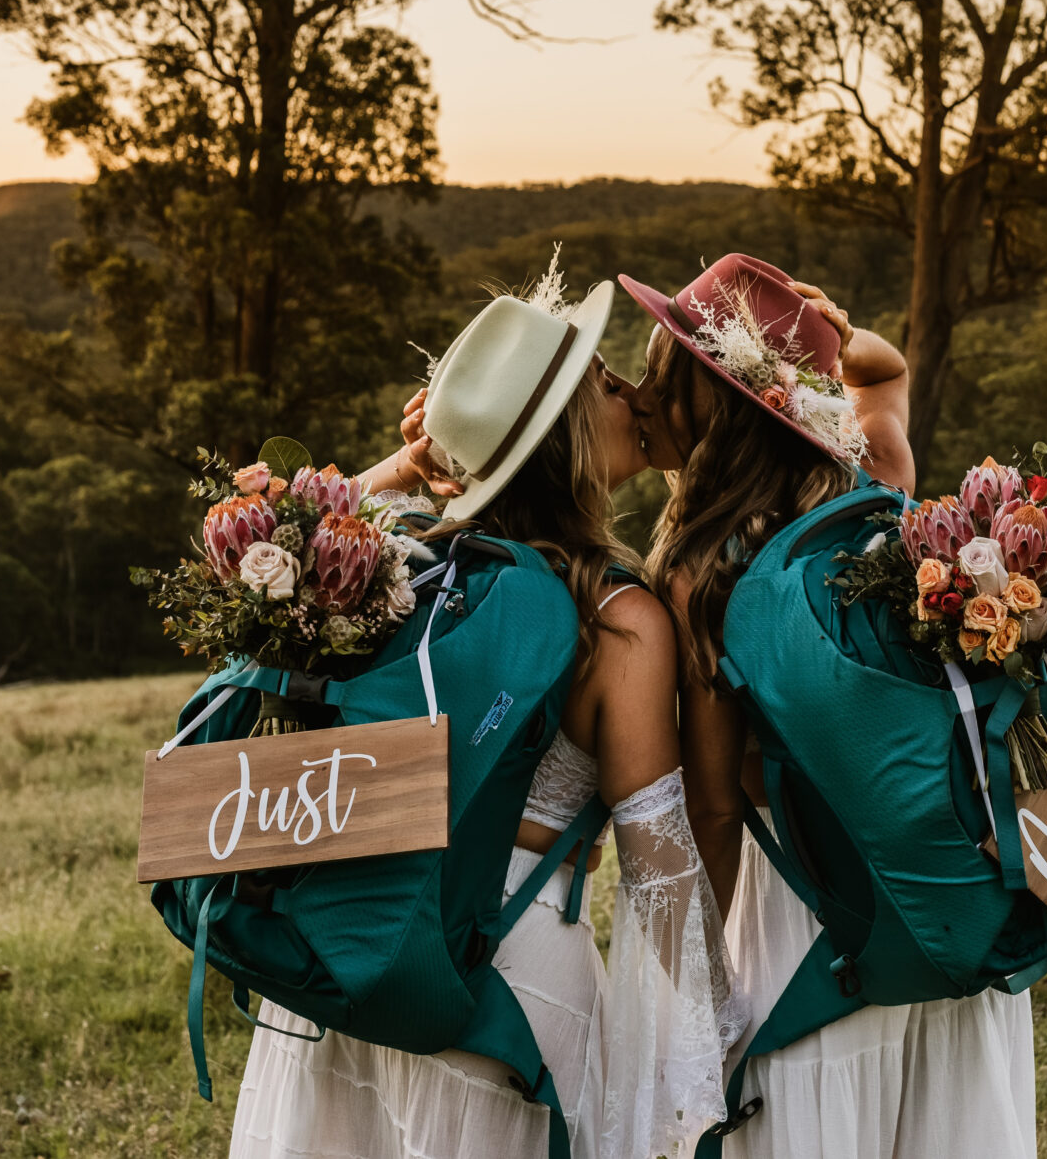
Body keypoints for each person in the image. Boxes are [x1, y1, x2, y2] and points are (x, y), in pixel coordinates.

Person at [228, 265, 739, 1159]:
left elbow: (332, 522)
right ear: (570, 431)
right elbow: (659, 868)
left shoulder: (389, 575)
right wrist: (720, 1029)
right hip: (509, 975)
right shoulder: (619, 619)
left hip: (361, 940)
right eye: (609, 384)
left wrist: (425, 462)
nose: (631, 396)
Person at [619, 254, 1039, 1159]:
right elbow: (885, 373)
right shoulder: (878, 479)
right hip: (926, 873)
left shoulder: (702, 568)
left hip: (802, 912)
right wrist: (838, 335)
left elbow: (716, 809)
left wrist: (701, 991)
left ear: (707, 400)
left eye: (665, 372)